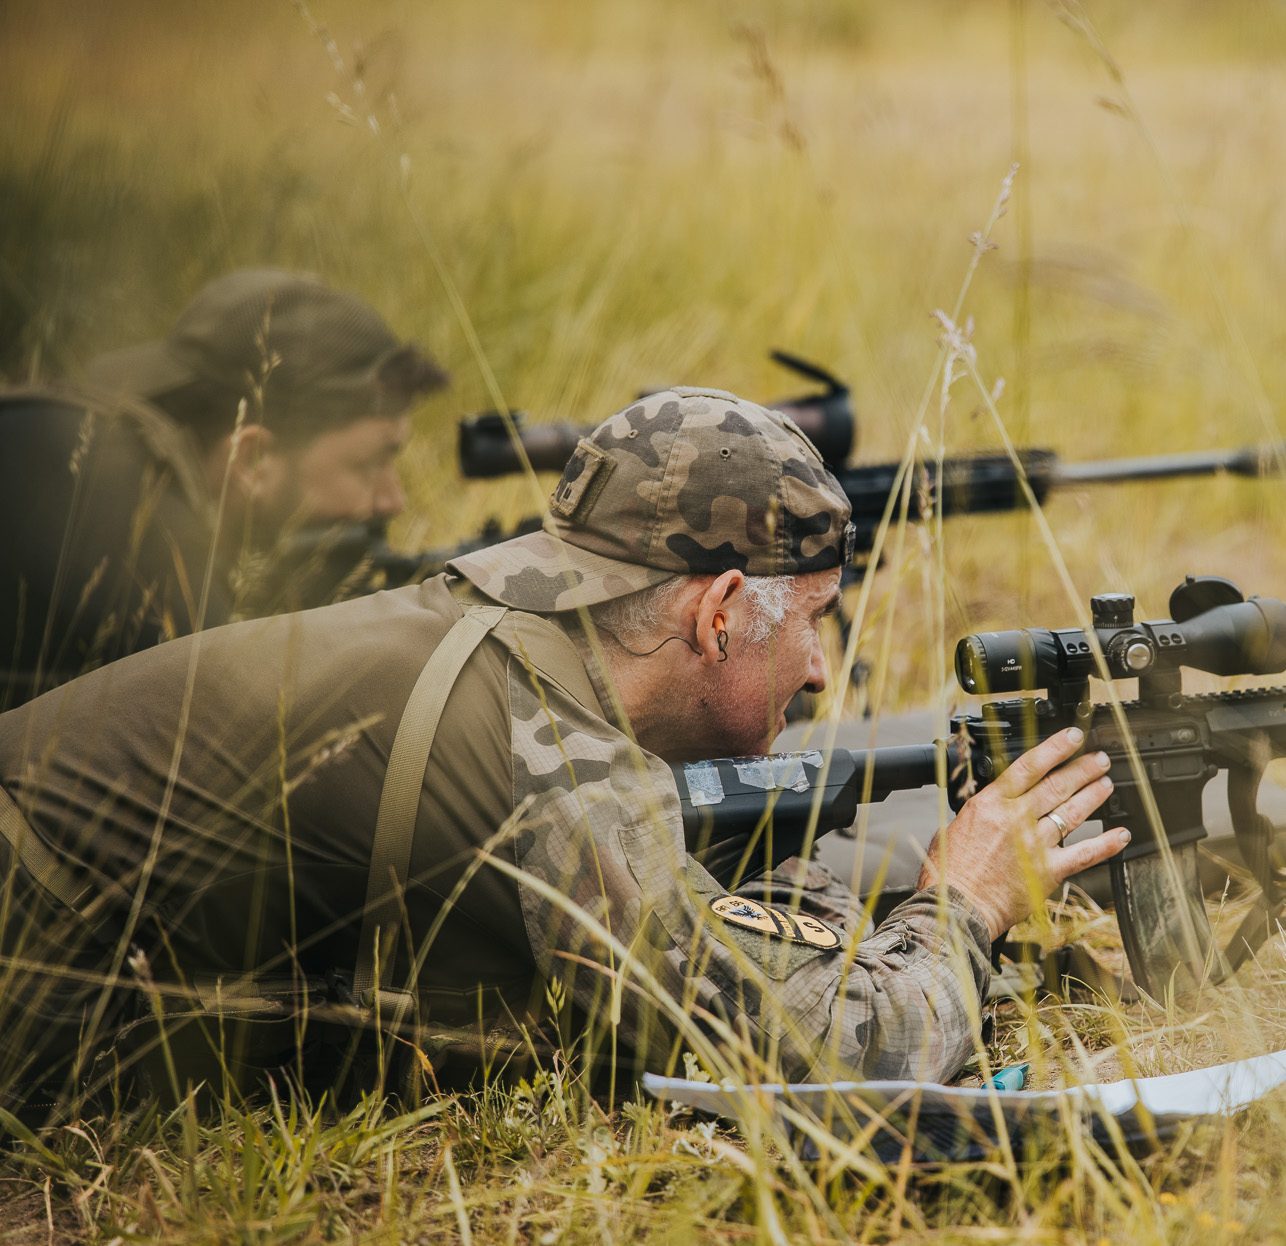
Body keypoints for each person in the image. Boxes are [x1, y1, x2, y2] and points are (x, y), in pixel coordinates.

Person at [0, 386, 1126, 1124]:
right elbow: (822, 1063)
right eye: (815, 618)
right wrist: (963, 901)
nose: (824, 671)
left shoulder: (498, 623)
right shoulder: (550, 757)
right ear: (720, 612)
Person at [0, 268, 450, 706]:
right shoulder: (154, 551)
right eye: (368, 464)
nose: (394, 499)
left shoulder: (69, 446)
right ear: (252, 458)